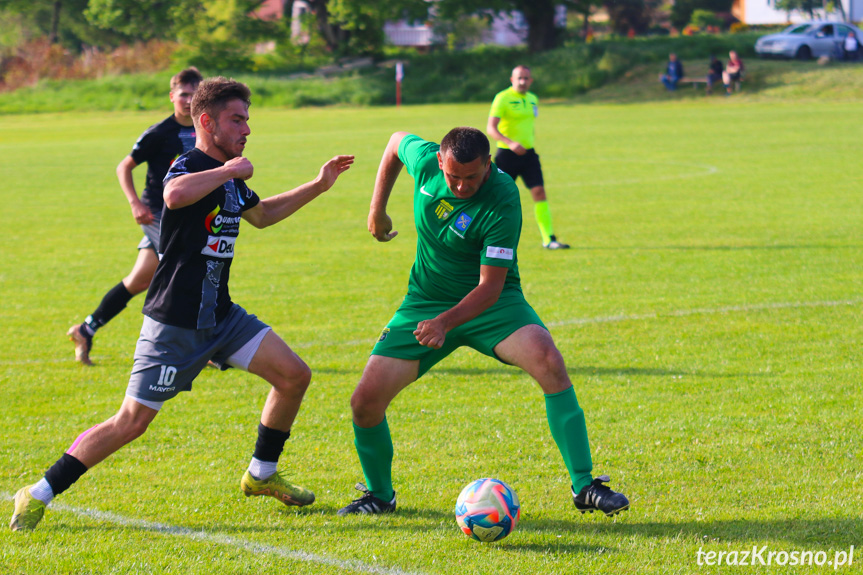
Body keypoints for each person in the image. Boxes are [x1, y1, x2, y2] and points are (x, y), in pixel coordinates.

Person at [10, 77, 355, 531]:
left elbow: (263, 215)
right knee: (131, 423)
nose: (247, 129)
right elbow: (174, 196)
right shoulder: (188, 163)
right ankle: (38, 491)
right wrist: (230, 171)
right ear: (207, 121)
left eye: (248, 119)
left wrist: (319, 184)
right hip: (174, 322)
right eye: (237, 119)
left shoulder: (228, 177)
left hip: (221, 316)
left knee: (294, 375)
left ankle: (261, 474)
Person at [336, 127, 629, 518]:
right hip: (426, 300)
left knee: (548, 361)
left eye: (471, 177)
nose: (461, 186)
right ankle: (379, 495)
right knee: (364, 402)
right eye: (452, 176)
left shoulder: (504, 197)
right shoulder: (425, 162)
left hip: (494, 303)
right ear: (438, 162)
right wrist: (377, 209)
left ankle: (585, 486)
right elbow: (393, 143)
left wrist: (444, 323)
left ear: (488, 165)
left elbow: (489, 287)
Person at [66, 67, 203, 365]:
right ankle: (199, 347)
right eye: (184, 94)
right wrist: (134, 205)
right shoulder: (159, 133)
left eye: (195, 94)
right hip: (157, 213)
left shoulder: (205, 129)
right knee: (186, 268)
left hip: (185, 213)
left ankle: (85, 330)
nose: (189, 100)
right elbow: (123, 167)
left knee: (139, 281)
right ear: (172, 96)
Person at [488, 65, 569, 250]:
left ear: (531, 80)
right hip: (506, 154)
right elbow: (491, 128)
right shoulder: (503, 98)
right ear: (512, 79)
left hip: (528, 154)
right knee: (497, 198)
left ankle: (549, 239)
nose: (523, 82)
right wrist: (510, 143)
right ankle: (486, 237)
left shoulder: (533, 99)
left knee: (539, 192)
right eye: (519, 78)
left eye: (526, 78)